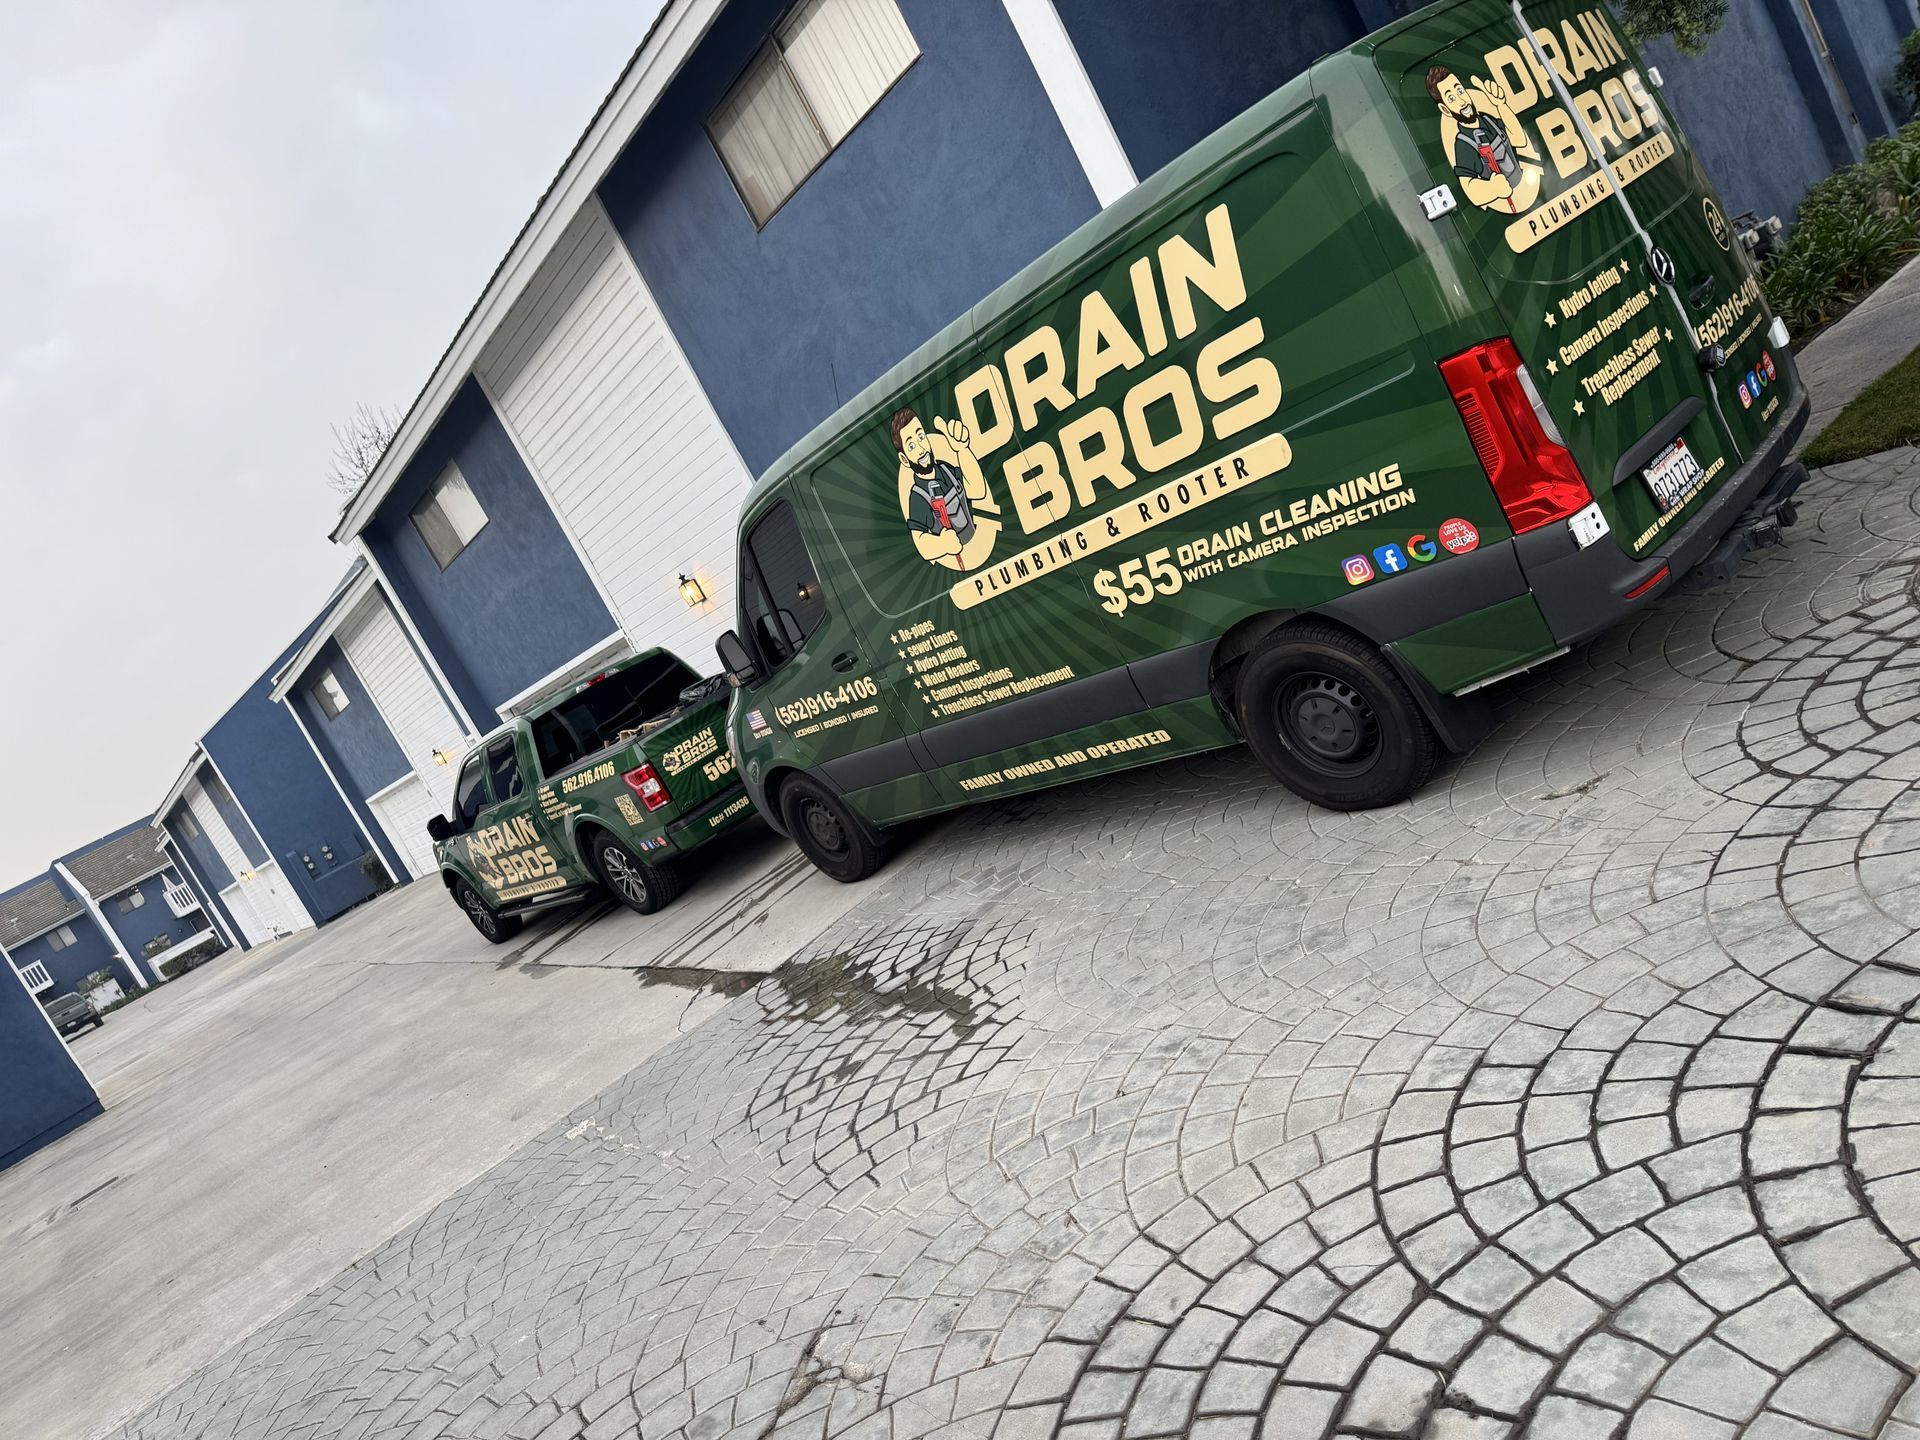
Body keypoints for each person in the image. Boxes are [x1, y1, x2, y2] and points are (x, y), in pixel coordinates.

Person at [892, 406, 1000, 572]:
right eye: (911, 446)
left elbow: (978, 489)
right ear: (904, 459)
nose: (921, 448)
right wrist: (942, 544)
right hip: (963, 566)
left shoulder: (946, 470)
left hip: (978, 550)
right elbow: (920, 542)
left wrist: (962, 450)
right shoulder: (918, 497)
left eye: (921, 437)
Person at [1426, 65, 1540, 213]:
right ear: (1445, 109)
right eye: (1452, 98)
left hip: (1525, 191)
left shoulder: (1488, 120)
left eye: (1460, 91)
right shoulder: (1463, 144)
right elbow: (1469, 188)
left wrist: (1501, 105)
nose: (1462, 101)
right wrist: (1493, 189)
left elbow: (1519, 139)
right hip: (1510, 203)